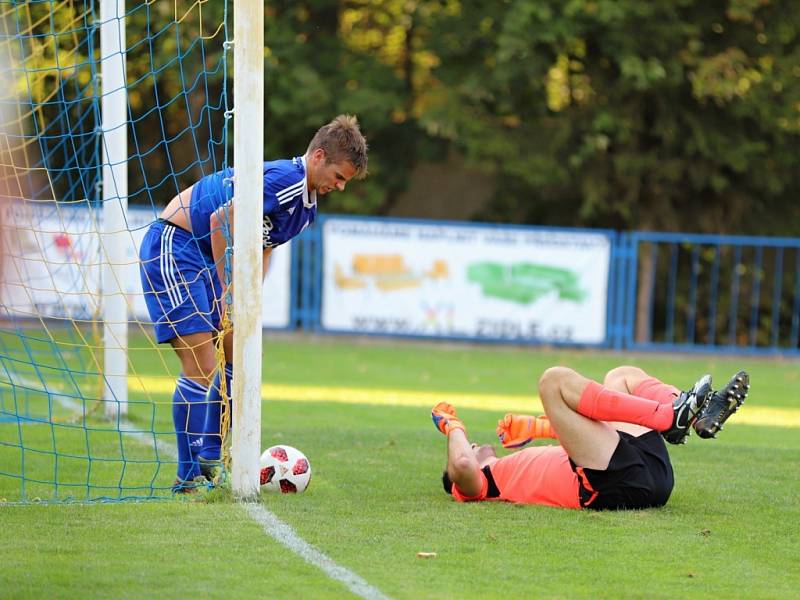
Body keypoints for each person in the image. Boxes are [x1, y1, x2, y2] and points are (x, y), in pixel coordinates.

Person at [139, 115, 368, 493]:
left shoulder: (306, 208)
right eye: (339, 176)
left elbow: (262, 246)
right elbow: (220, 220)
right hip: (177, 244)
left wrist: (250, 298)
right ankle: (187, 478)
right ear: (318, 156)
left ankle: (210, 457)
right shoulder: (286, 181)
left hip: (203, 256)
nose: (340, 187)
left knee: (241, 358)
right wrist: (229, 292)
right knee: (201, 363)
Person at [431, 366, 749, 509]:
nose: (471, 447)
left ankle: (695, 413)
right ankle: (671, 416)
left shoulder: (510, 465)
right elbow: (461, 463)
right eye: (469, 448)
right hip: (616, 485)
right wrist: (452, 426)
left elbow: (589, 440)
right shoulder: (478, 485)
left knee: (621, 376)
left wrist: (539, 427)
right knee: (552, 381)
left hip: (637, 471)